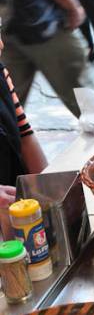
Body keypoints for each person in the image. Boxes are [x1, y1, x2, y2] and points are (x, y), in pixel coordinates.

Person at [0, 17, 47, 236]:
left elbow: (25, 135)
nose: (1, 45)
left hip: (17, 217)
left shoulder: (1, 75)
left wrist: (48, 196)